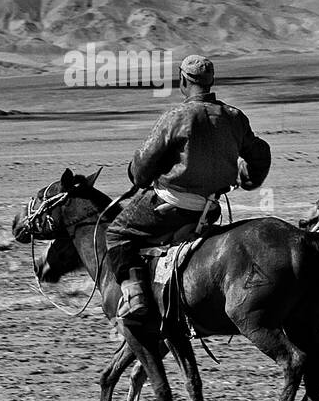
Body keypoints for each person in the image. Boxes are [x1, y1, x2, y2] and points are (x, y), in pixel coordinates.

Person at [104, 54, 271, 325]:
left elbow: (142, 167)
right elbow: (260, 152)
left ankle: (135, 297)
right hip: (209, 210)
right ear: (212, 80)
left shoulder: (176, 117)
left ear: (182, 80)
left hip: (170, 205)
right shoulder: (234, 117)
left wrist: (139, 176)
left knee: (117, 233)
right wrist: (247, 179)